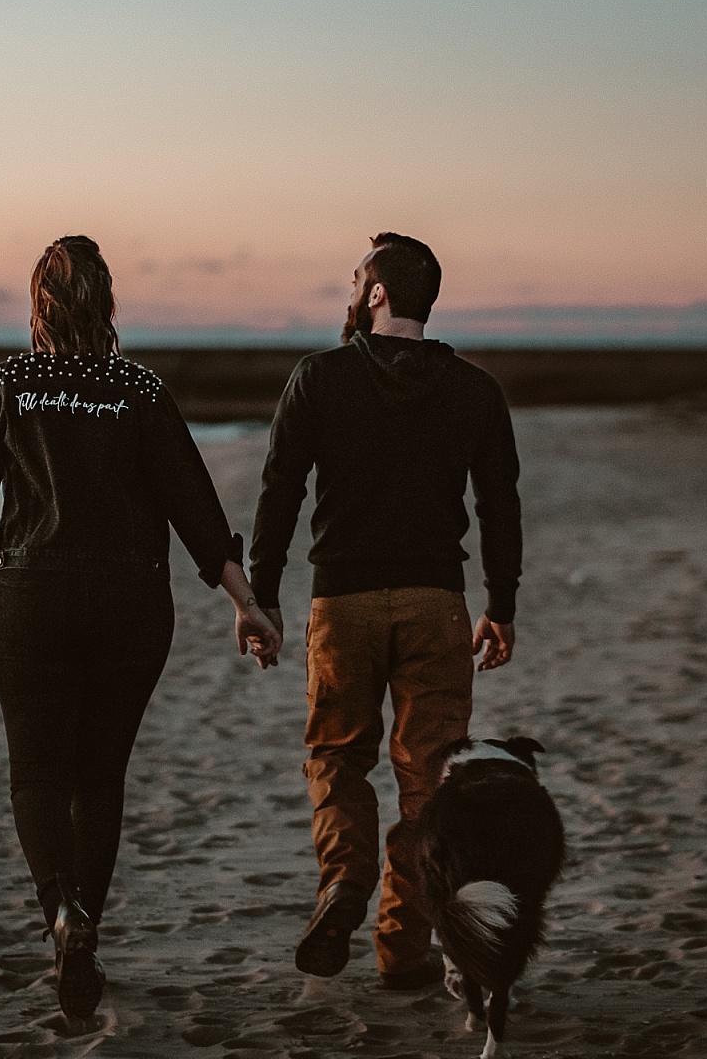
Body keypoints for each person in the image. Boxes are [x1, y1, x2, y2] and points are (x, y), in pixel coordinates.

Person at [0, 236, 282, 1021]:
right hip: (130, 603)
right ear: (105, 302)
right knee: (99, 778)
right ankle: (89, 929)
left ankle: (60, 914)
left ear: (38, 305)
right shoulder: (139, 389)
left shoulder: (7, 383)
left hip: (34, 600)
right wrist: (245, 603)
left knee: (38, 776)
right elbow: (196, 509)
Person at [249, 232, 523, 990]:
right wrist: (501, 604)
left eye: (356, 275)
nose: (351, 285)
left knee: (338, 759)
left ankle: (344, 883)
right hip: (437, 602)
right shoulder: (474, 390)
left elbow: (280, 490)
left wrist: (262, 595)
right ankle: (403, 951)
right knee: (427, 779)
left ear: (375, 294)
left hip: (342, 604)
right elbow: (499, 505)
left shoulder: (317, 379)